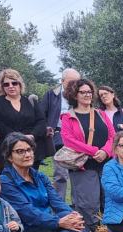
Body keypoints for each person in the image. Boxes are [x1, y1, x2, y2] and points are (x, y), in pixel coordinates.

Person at [60, 78, 115, 232]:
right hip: (83, 167)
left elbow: (112, 137)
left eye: (89, 92)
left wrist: (105, 151)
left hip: (106, 165)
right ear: (74, 95)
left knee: (109, 201)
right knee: (88, 205)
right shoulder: (67, 117)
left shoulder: (101, 114)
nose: (87, 95)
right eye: (82, 92)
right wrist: (93, 151)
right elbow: (69, 141)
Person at [0, 69, 46, 171]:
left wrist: (32, 135)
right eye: (6, 84)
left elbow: (41, 122)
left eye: (14, 83)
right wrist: (17, 138)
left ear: (20, 84)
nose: (11, 86)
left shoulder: (30, 102)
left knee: (31, 180)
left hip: (31, 149)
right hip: (8, 151)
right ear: (2, 87)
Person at [39, 68, 80, 199]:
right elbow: (41, 115)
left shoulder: (80, 95)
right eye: (72, 82)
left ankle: (77, 205)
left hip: (77, 139)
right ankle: (60, 207)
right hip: (57, 137)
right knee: (60, 174)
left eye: (77, 82)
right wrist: (46, 128)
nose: (75, 85)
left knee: (77, 173)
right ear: (62, 81)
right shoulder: (51, 95)